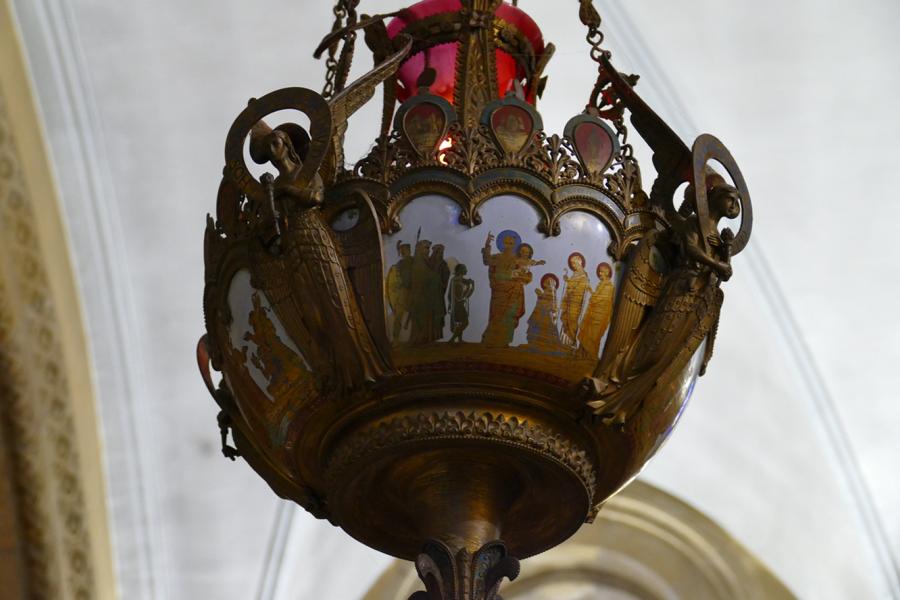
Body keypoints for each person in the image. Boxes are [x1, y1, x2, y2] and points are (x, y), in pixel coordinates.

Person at [481, 230, 531, 348]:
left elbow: (524, 274)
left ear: (515, 245)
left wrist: (523, 275)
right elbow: (487, 261)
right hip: (498, 292)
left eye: (511, 244)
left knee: (509, 317)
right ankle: (491, 341)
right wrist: (487, 245)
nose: (509, 246)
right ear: (502, 244)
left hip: (513, 292)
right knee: (496, 316)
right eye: (507, 243)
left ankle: (504, 341)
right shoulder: (497, 257)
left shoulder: (517, 259)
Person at [577, 263, 615, 359]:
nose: (600, 273)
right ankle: (582, 353)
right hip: (593, 314)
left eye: (601, 271)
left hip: (599, 316)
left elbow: (600, 299)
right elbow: (596, 298)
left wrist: (591, 294)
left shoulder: (609, 286)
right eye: (599, 271)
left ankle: (588, 356)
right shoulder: (601, 285)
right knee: (587, 333)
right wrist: (590, 290)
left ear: (607, 272)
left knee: (593, 336)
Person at [525, 273, 566, 355]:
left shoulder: (552, 290)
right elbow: (542, 300)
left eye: (551, 281)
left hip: (547, 311)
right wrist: (540, 296)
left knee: (547, 325)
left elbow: (552, 301)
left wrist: (553, 309)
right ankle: (537, 342)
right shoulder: (547, 290)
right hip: (541, 310)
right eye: (547, 281)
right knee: (537, 324)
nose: (549, 282)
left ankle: (546, 342)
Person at [560, 252, 590, 347]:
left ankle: (572, 340)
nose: (573, 265)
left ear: (580, 262)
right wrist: (567, 280)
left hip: (576, 302)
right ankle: (565, 341)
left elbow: (580, 289)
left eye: (574, 263)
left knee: (572, 320)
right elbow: (571, 285)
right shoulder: (575, 274)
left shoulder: (583, 275)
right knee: (567, 319)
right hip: (569, 300)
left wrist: (571, 288)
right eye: (572, 263)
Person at [386, 242, 413, 341]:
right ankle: (396, 338)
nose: (403, 253)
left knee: (416, 317)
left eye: (405, 251)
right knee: (398, 316)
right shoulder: (399, 265)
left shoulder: (415, 262)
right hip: (402, 293)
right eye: (402, 251)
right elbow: (395, 280)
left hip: (413, 293)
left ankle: (416, 339)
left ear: (409, 251)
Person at [447, 264, 475, 343]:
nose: (466, 270)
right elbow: (462, 296)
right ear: (460, 270)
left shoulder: (456, 279)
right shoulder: (457, 281)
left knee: (460, 322)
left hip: (456, 304)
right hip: (458, 305)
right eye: (464, 269)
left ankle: (460, 340)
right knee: (465, 322)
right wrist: (472, 287)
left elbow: (450, 295)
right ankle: (452, 339)